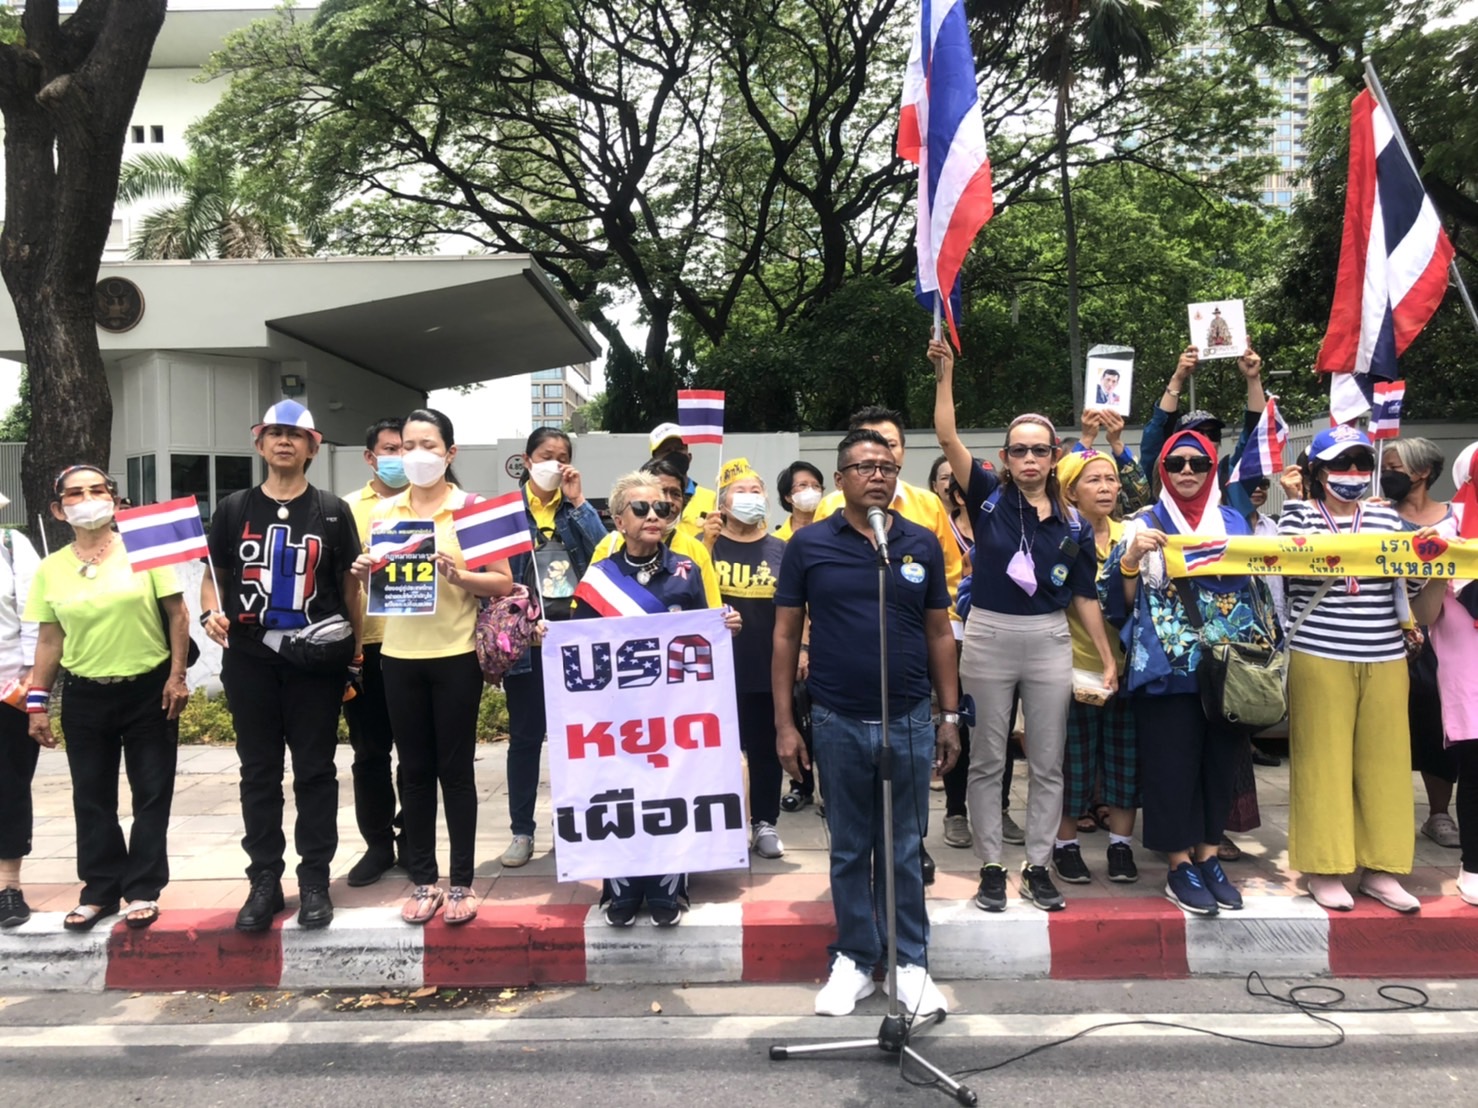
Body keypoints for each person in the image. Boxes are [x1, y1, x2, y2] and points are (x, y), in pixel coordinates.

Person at [774, 429, 960, 1017]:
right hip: (837, 717)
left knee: (903, 847)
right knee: (851, 847)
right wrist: (785, 723)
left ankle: (909, 963)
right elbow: (785, 635)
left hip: (908, 716)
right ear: (840, 479)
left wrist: (949, 714)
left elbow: (939, 632)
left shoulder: (919, 542)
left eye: (886, 466)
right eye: (864, 467)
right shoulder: (809, 545)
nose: (878, 475)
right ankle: (855, 958)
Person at [932, 338, 1116, 914]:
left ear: (1055, 456)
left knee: (1047, 760)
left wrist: (1106, 656)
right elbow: (946, 437)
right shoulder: (987, 497)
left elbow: (1084, 595)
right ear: (1005, 457)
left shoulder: (1074, 524)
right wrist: (945, 375)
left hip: (1048, 639)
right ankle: (991, 865)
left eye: (1039, 450)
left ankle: (1037, 865)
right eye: (1019, 451)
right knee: (988, 758)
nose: (1029, 459)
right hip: (988, 635)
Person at [201, 400, 363, 933]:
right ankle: (264, 880)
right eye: (274, 433)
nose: (284, 441)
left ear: (313, 447)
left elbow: (349, 589)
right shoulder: (234, 509)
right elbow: (214, 577)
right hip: (250, 659)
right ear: (259, 444)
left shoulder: (333, 511)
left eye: (295, 434)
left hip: (315, 662)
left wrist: (354, 651)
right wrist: (209, 612)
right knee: (259, 772)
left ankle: (314, 880)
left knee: (315, 770)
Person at [1102, 431, 1278, 914]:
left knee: (1220, 766)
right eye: (1176, 463)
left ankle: (1208, 856)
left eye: (1197, 463)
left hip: (1230, 667)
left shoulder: (1233, 521)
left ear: (1210, 469)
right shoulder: (1144, 523)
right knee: (1171, 768)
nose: (1186, 471)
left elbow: (1257, 589)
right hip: (1169, 666)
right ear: (1162, 469)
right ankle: (1179, 864)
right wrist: (1131, 559)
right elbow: (1115, 601)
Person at [354, 409, 513, 926]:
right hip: (399, 657)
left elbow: (502, 581)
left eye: (428, 445)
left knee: (456, 772)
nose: (416, 455)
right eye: (406, 446)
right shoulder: (387, 512)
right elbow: (380, 588)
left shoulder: (472, 508)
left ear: (450, 452)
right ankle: (424, 880)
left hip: (456, 656)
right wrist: (364, 573)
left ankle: (462, 882)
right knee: (414, 772)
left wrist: (458, 575)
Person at [26, 466, 191, 931]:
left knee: (151, 793)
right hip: (85, 695)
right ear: (59, 509)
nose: (88, 499)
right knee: (91, 796)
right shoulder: (51, 568)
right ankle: (99, 890)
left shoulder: (145, 551)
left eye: (97, 490)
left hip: (149, 691)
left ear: (115, 501)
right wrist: (38, 703)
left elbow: (178, 615)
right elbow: (49, 639)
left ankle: (143, 888)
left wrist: (177, 677)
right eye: (75, 494)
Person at [574, 470, 739, 927]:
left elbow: (707, 631)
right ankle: (622, 883)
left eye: (662, 508)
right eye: (641, 508)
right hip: (618, 715)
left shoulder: (687, 570)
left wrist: (726, 626)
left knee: (670, 789)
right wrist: (552, 636)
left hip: (673, 711)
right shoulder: (599, 578)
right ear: (618, 520)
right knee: (621, 791)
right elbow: (579, 645)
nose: (653, 515)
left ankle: (669, 878)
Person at [1277, 426, 1419, 913]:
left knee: (1387, 763)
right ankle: (1325, 868)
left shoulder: (1386, 518)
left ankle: (1383, 868)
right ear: (1318, 472)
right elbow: (1284, 570)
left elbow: (1411, 581)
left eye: (1361, 464)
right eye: (1341, 464)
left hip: (1386, 653)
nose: (1353, 473)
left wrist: (1425, 556)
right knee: (1323, 761)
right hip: (1320, 652)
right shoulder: (1297, 514)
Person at [498, 427, 606, 868]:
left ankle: (576, 824)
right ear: (526, 460)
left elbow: (604, 553)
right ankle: (522, 832)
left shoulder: (576, 509)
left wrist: (579, 503)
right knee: (525, 740)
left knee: (579, 739)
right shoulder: (505, 513)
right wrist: (522, 627)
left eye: (562, 457)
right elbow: (496, 581)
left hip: (577, 642)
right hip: (529, 646)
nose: (554, 465)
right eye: (546, 456)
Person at [1051, 449, 1139, 885]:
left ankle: (1121, 847)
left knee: (1126, 759)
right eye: (1093, 480)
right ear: (1070, 492)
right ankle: (1065, 846)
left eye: (1110, 479)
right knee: (1074, 763)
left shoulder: (1133, 534)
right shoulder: (1062, 538)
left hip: (1131, 669)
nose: (1106, 488)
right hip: (1075, 670)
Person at [707, 461, 788, 858]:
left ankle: (765, 822)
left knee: (764, 749)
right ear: (723, 502)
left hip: (766, 665)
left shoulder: (781, 550)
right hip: (713, 671)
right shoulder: (704, 545)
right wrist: (705, 544)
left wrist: (802, 649)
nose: (750, 498)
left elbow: (798, 609)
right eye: (741, 491)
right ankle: (721, 824)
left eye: (756, 491)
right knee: (716, 751)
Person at [1382, 437, 1459, 850]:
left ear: (1423, 472)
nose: (1387, 474)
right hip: (1381, 637)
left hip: (1441, 637)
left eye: (1395, 467)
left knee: (1434, 721)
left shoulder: (1454, 518)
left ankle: (1439, 813)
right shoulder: (1377, 517)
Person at [1410, 442, 1478, 904]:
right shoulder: (1446, 533)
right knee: (1475, 766)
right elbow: (1426, 613)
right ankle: (1474, 866)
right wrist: (1438, 568)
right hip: (1467, 671)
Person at [342, 417, 406, 886]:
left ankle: (415, 842)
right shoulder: (344, 509)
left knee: (419, 755)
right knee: (369, 754)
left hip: (419, 646)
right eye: (390, 449)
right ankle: (378, 845)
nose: (400, 458)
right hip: (365, 646)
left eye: (408, 448)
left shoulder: (430, 504)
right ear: (370, 457)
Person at [1140, 346, 1267, 518]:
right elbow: (1157, 433)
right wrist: (1177, 378)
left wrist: (1253, 379)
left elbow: (1256, 436)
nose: (1205, 439)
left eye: (1213, 434)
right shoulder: (1165, 472)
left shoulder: (1231, 479)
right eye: (1196, 433)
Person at [591, 456, 723, 609]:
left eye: (675, 494)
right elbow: (587, 613)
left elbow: (710, 613)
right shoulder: (609, 545)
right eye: (642, 506)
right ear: (619, 522)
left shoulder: (695, 551)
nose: (668, 502)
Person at [0, 495, 39, 928]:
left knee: (8, 785)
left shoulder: (12, 546)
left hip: (9, 687)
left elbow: (34, 613)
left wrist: (34, 674)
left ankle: (7, 887)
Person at [648, 423, 717, 540]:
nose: (674, 454)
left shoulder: (712, 499)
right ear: (654, 460)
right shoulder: (645, 496)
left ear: (689, 457)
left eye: (679, 449)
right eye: (667, 450)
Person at [774, 460, 824, 542]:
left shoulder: (832, 531)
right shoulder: (777, 540)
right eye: (803, 485)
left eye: (816, 486)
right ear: (788, 496)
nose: (810, 490)